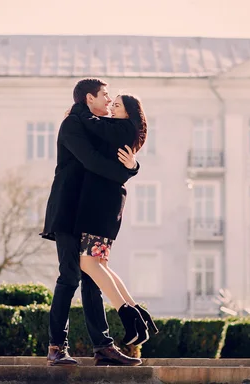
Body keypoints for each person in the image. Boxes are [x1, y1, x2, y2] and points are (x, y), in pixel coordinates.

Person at [41, 78, 142, 367]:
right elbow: (91, 161)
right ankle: (57, 347)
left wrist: (133, 166)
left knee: (91, 278)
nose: (109, 100)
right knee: (69, 276)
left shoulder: (94, 123)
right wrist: (125, 174)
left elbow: (120, 151)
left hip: (88, 212)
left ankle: (103, 349)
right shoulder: (72, 125)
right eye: (105, 95)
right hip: (68, 211)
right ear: (89, 98)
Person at [72, 94, 159, 348]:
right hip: (108, 206)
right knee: (100, 264)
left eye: (117, 105)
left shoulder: (118, 128)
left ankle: (129, 315)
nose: (111, 107)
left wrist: (79, 109)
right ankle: (136, 314)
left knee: (88, 263)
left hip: (100, 206)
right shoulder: (124, 130)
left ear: (128, 113)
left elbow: (92, 123)